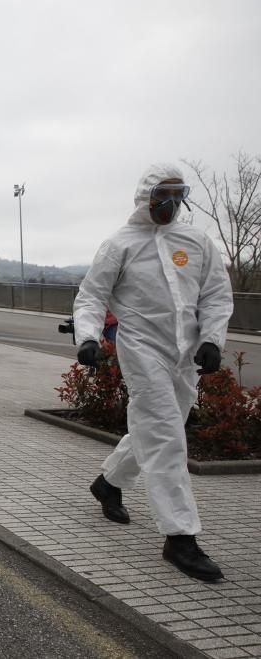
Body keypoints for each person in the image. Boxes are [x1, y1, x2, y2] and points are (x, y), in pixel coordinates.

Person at [74, 163, 233, 582]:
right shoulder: (120, 245)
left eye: (179, 195)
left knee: (160, 427)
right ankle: (180, 537)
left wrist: (212, 339)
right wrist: (88, 337)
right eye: (164, 195)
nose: (171, 203)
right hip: (143, 350)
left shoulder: (197, 241)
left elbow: (216, 293)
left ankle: (109, 482)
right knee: (165, 436)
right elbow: (91, 295)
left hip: (186, 355)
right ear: (146, 196)